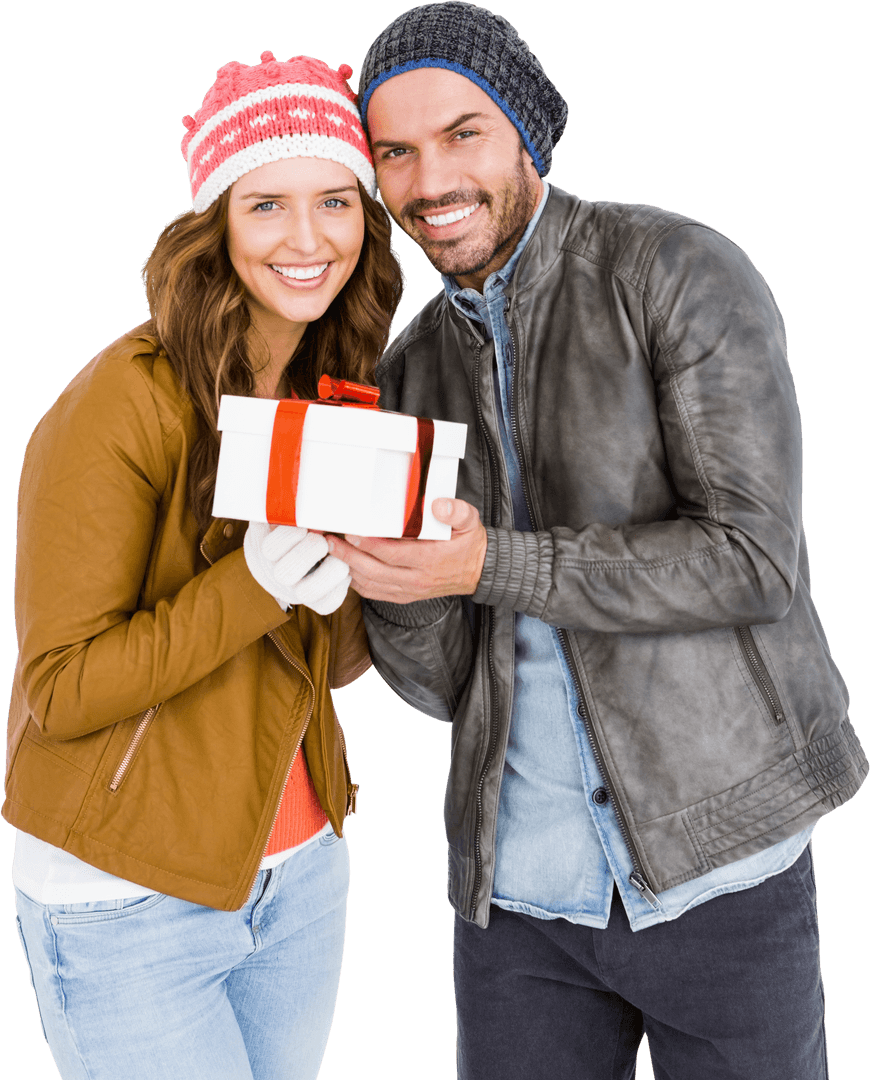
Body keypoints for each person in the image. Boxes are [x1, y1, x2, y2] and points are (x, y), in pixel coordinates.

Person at [325, 4, 869, 1078]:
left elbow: (753, 562)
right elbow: (444, 685)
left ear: (526, 130)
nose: (429, 179)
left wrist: (491, 562)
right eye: (395, 151)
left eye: (462, 134)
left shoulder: (674, 269)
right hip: (517, 904)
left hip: (719, 872)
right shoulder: (411, 368)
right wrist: (395, 582)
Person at [5, 51, 402, 1080]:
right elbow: (61, 689)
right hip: (128, 903)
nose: (308, 240)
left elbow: (325, 661)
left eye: (336, 203)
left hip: (300, 878)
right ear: (216, 220)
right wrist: (252, 585)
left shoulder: (332, 389)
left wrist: (380, 562)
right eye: (267, 204)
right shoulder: (119, 404)